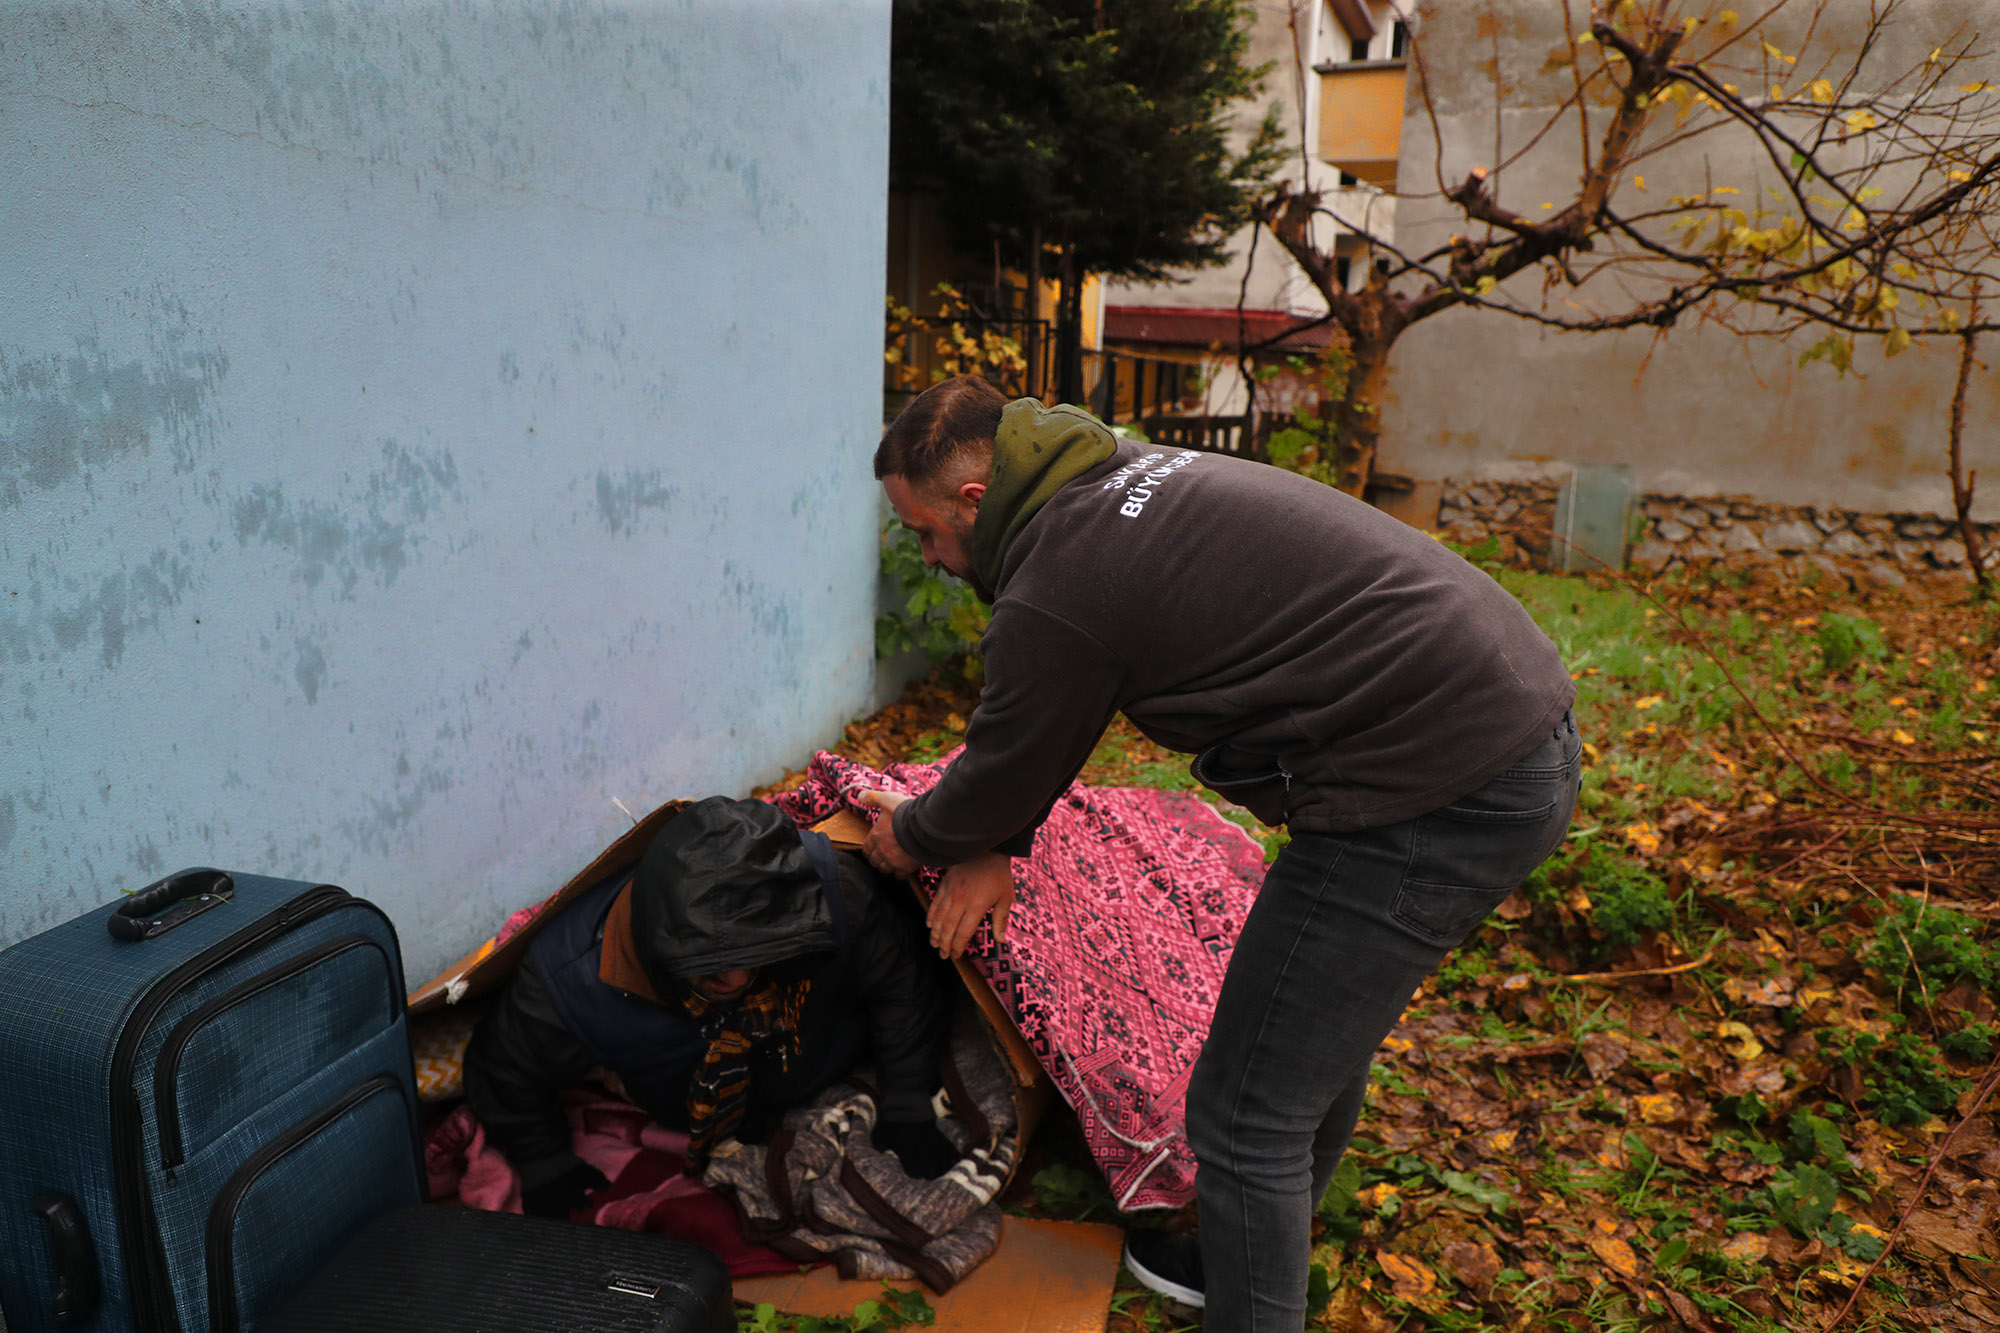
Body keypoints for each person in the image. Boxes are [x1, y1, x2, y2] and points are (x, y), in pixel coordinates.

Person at [857, 376, 1580, 1333]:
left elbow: (1004, 760)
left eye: (923, 531)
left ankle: (1253, 1300)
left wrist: (913, 835)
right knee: (1308, 1041)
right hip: (1508, 726)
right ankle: (1249, 1259)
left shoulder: (1060, 579)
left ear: (973, 502)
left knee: (1245, 1116)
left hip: (1435, 789)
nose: (927, 554)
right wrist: (998, 836)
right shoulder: (1108, 473)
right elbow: (1043, 731)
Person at [464, 796, 960, 1217]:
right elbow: (506, 1068)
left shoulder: (829, 892)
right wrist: (544, 1160)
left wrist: (908, 1104)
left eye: (757, 958)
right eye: (713, 970)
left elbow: (902, 984)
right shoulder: (571, 981)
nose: (740, 981)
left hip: (829, 1045)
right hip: (691, 1106)